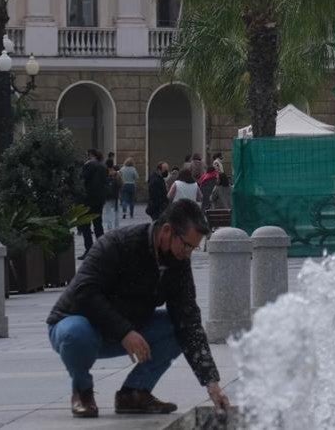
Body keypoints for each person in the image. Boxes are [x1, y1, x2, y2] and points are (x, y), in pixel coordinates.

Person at [46, 199, 231, 418]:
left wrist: (212, 383)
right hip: (79, 325)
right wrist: (124, 331)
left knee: (177, 328)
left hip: (128, 329)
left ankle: (134, 393)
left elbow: (188, 319)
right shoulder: (117, 243)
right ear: (166, 230)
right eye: (187, 245)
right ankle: (83, 391)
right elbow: (84, 293)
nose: (189, 253)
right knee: (74, 333)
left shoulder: (178, 264)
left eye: (194, 247)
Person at [78, 149, 109, 258]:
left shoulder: (89, 165)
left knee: (86, 226)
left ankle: (89, 250)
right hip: (99, 200)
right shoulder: (103, 166)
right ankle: (102, 249)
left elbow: (82, 179)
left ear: (91, 155)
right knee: (98, 225)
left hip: (87, 199)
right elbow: (106, 182)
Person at [103, 161, 122, 232]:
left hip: (107, 196)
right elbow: (121, 184)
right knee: (116, 212)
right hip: (116, 195)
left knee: (108, 212)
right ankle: (116, 226)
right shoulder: (117, 173)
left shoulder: (104, 173)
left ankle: (109, 226)